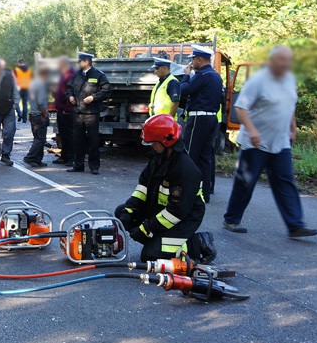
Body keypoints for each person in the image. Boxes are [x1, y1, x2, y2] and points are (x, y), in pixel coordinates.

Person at [223, 46, 317, 238]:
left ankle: (295, 225)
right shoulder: (258, 81)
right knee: (245, 183)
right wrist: (252, 131)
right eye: (283, 60)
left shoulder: (289, 79)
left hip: (280, 142)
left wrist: (293, 128)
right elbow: (241, 108)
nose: (287, 64)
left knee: (286, 183)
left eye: (289, 61)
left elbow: (290, 105)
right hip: (255, 143)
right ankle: (231, 220)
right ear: (272, 61)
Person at [115, 114, 205, 261]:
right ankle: (158, 241)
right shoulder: (159, 158)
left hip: (182, 219)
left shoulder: (186, 170)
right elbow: (142, 189)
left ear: (165, 141)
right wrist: (129, 210)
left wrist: (147, 229)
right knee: (121, 213)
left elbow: (176, 213)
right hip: (160, 210)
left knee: (151, 255)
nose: (151, 145)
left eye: (153, 142)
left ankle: (196, 244)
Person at [179, 45, 224, 202]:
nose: (192, 63)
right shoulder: (216, 76)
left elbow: (184, 90)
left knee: (191, 154)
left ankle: (188, 191)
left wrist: (186, 76)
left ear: (199, 59)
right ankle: (205, 193)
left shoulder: (202, 75)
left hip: (199, 118)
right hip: (212, 119)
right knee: (206, 157)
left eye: (193, 60)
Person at [67, 51, 110, 174]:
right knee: (77, 140)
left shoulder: (98, 75)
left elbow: (106, 90)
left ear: (86, 62)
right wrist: (70, 96)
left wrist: (94, 97)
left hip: (91, 113)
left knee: (93, 140)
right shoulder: (76, 74)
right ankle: (78, 165)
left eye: (80, 61)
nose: (78, 63)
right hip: (78, 112)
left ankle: (94, 167)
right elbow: (69, 88)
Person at [23, 66, 51, 168]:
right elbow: (41, 102)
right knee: (40, 139)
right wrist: (45, 114)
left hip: (34, 114)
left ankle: (37, 159)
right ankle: (30, 157)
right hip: (39, 115)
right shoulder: (41, 85)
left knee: (39, 138)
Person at [53, 56, 75, 165]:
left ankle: (71, 157)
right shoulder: (62, 74)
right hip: (60, 110)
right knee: (62, 134)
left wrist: (67, 109)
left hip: (67, 111)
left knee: (69, 135)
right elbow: (60, 91)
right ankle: (64, 156)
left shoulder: (70, 75)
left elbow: (71, 93)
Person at [13, 58, 33, 123]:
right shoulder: (29, 70)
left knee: (15, 102)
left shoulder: (16, 69)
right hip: (27, 88)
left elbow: (13, 79)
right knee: (25, 104)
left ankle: (20, 114)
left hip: (18, 88)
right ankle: (24, 119)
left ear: (19, 63)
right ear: (24, 62)